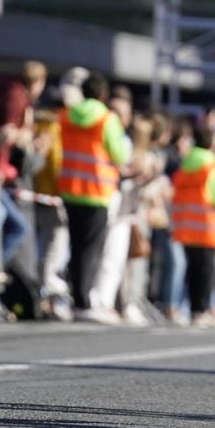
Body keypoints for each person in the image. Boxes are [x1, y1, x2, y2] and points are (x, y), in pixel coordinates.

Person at [57, 70, 129, 318]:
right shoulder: (106, 119)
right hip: (97, 191)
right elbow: (119, 154)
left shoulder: (66, 116)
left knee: (75, 246)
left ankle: (76, 298)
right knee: (92, 248)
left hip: (69, 188)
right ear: (102, 94)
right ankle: (84, 302)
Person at [170, 117, 215, 326]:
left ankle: (194, 308)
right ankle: (203, 309)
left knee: (192, 268)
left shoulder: (185, 164)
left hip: (186, 226)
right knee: (206, 270)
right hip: (208, 227)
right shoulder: (213, 167)